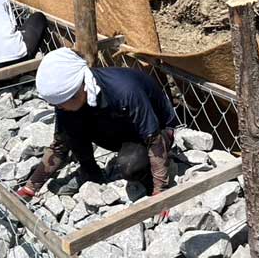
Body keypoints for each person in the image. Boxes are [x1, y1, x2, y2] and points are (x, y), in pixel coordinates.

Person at [16, 48, 178, 203]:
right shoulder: (68, 102)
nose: (58, 108)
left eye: (61, 103)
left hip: (156, 129)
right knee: (71, 130)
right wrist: (31, 187)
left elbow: (153, 139)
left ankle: (152, 174)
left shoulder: (125, 91)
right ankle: (92, 175)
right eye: (55, 104)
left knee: (130, 167)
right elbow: (60, 146)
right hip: (117, 125)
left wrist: (160, 191)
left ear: (80, 88)